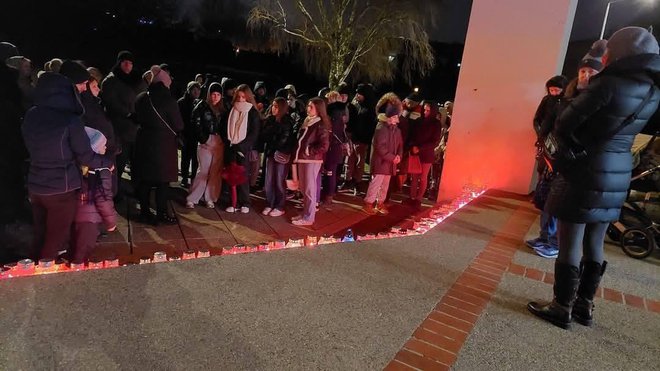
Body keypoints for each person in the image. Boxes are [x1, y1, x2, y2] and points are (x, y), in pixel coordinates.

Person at [528, 27, 660, 329]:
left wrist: (579, 95)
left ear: (620, 54)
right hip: (617, 175)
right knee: (595, 242)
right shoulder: (653, 91)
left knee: (570, 240)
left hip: (583, 173)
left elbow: (564, 124)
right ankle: (585, 307)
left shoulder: (607, 85)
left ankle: (562, 306)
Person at [22, 72, 112, 260]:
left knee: (40, 234)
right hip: (61, 188)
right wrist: (107, 163)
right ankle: (44, 279)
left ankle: (29, 271)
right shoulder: (69, 120)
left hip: (35, 186)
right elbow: (86, 156)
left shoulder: (31, 115)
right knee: (55, 238)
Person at [132, 66, 184, 225]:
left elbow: (136, 117)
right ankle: (161, 214)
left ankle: (145, 212)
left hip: (144, 142)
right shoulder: (169, 100)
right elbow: (179, 125)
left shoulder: (141, 97)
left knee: (145, 180)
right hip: (164, 145)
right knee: (163, 182)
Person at [526, 75, 568, 259]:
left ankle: (554, 242)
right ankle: (544, 237)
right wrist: (542, 136)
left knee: (556, 200)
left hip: (560, 155)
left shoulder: (568, 104)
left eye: (557, 90)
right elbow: (538, 120)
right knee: (544, 197)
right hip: (547, 150)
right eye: (551, 90)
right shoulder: (548, 102)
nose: (554, 93)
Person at [101, 50, 145, 197]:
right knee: (119, 163)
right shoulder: (111, 80)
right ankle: (115, 192)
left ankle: (138, 191)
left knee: (137, 164)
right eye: (125, 62)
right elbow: (111, 102)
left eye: (131, 63)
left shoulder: (136, 79)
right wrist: (128, 114)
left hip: (137, 129)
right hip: (120, 129)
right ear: (119, 63)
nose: (128, 65)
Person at [72, 127, 117, 264]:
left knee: (73, 245)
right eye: (103, 145)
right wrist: (111, 222)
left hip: (72, 214)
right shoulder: (102, 169)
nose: (105, 147)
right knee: (83, 250)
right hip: (89, 219)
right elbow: (103, 199)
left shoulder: (74, 164)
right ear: (95, 147)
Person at [0, 42, 29, 225]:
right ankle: (13, 212)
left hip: (9, 132)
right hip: (9, 133)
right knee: (11, 175)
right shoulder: (10, 77)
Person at [186, 82, 226, 209]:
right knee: (203, 170)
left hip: (219, 142)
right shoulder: (202, 106)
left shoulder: (224, 109)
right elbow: (195, 122)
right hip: (205, 142)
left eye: (218, 94)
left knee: (215, 171)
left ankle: (210, 197)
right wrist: (204, 138)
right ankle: (193, 197)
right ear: (209, 94)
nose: (215, 97)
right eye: (213, 94)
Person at [292, 97, 330, 226]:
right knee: (303, 188)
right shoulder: (307, 121)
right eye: (308, 106)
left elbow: (324, 145)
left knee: (309, 188)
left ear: (318, 109)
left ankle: (309, 217)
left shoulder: (320, 124)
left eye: (311, 107)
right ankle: (305, 213)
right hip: (303, 158)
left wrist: (309, 150)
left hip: (312, 160)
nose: (308, 109)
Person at [363, 93, 403, 215]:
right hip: (381, 162)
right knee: (376, 183)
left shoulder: (396, 130)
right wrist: (393, 158)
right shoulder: (381, 128)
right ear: (390, 117)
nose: (398, 119)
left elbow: (400, 145)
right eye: (396, 117)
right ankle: (368, 203)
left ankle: (380, 202)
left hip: (390, 163)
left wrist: (399, 156)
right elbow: (380, 148)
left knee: (385, 184)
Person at [223, 84, 261, 213]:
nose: (240, 99)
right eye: (238, 96)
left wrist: (242, 146)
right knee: (231, 176)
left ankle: (245, 202)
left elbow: (254, 133)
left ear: (248, 97)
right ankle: (232, 202)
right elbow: (224, 127)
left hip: (243, 149)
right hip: (231, 147)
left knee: (243, 176)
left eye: (243, 97)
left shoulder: (252, 112)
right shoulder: (231, 109)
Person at [261, 97, 295, 217]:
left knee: (279, 180)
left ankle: (280, 206)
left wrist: (273, 139)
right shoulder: (270, 120)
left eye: (276, 106)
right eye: (273, 106)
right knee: (269, 180)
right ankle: (269, 203)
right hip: (270, 153)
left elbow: (283, 140)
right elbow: (263, 135)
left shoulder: (286, 121)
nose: (273, 108)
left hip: (281, 154)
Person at [407, 100, 442, 208]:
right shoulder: (418, 121)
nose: (426, 112)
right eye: (425, 110)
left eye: (428, 110)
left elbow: (434, 141)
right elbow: (412, 134)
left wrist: (420, 148)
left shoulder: (436, 124)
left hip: (426, 154)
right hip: (416, 153)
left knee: (423, 177)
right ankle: (412, 197)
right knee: (414, 177)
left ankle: (418, 199)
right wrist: (413, 146)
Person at [343, 83, 376, 192]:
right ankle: (348, 180)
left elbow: (370, 126)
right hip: (353, 137)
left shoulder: (370, 108)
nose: (357, 95)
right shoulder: (356, 105)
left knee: (359, 162)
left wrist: (364, 138)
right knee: (349, 160)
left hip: (362, 140)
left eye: (359, 94)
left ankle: (357, 182)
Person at [321, 91, 349, 205]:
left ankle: (328, 195)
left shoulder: (334, 112)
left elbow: (332, 130)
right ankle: (330, 194)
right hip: (337, 146)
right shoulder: (341, 112)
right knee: (332, 172)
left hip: (332, 146)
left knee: (330, 172)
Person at [178, 81, 202, 187]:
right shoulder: (181, 103)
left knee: (195, 159)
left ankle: (193, 178)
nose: (196, 92)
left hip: (196, 135)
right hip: (185, 134)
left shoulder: (200, 103)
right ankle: (184, 177)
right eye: (194, 90)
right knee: (185, 157)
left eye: (198, 90)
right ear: (189, 90)